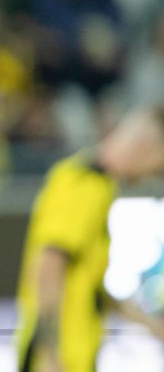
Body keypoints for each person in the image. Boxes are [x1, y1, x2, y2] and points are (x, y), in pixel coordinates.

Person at [15, 105, 164, 372]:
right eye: (158, 167)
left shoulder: (98, 187)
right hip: (60, 362)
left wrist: (150, 324)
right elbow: (49, 267)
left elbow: (89, 285)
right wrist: (49, 356)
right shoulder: (84, 182)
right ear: (145, 147)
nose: (151, 178)